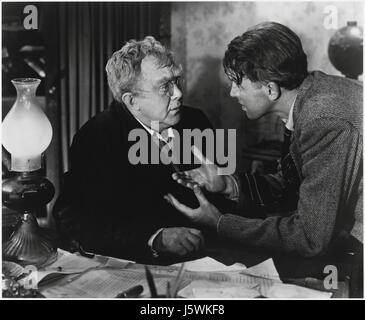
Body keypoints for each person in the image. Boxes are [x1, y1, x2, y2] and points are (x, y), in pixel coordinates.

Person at [166, 22, 363, 258]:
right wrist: (229, 184)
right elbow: (292, 184)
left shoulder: (321, 118)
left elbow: (310, 237)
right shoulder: (310, 95)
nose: (232, 92)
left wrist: (219, 222)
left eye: (239, 83)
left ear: (271, 90)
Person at [53, 36, 215, 261]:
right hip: (139, 264)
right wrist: (154, 238)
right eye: (164, 86)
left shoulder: (195, 121)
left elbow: (220, 201)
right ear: (131, 101)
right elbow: (76, 220)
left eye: (177, 81)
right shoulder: (97, 137)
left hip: (208, 259)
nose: (178, 93)